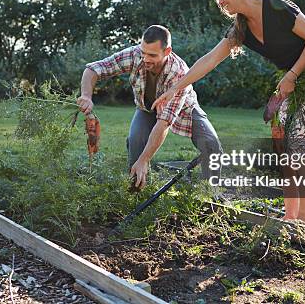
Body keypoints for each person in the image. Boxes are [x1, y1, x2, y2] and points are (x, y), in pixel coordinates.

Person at [152, 0, 305, 226]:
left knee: (300, 143)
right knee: (281, 144)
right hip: (292, 79)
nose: (219, 1)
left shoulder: (276, 8)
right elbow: (210, 60)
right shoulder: (240, 29)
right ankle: (290, 215)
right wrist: (175, 87)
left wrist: (292, 76)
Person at [77, 25, 223, 189]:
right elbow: (94, 69)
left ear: (167, 52)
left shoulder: (179, 72)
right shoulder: (135, 54)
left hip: (184, 109)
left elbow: (164, 123)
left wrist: (145, 159)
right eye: (143, 52)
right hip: (146, 108)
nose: (145, 58)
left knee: (211, 144)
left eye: (152, 55)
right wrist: (86, 96)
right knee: (136, 142)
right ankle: (136, 192)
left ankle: (211, 195)